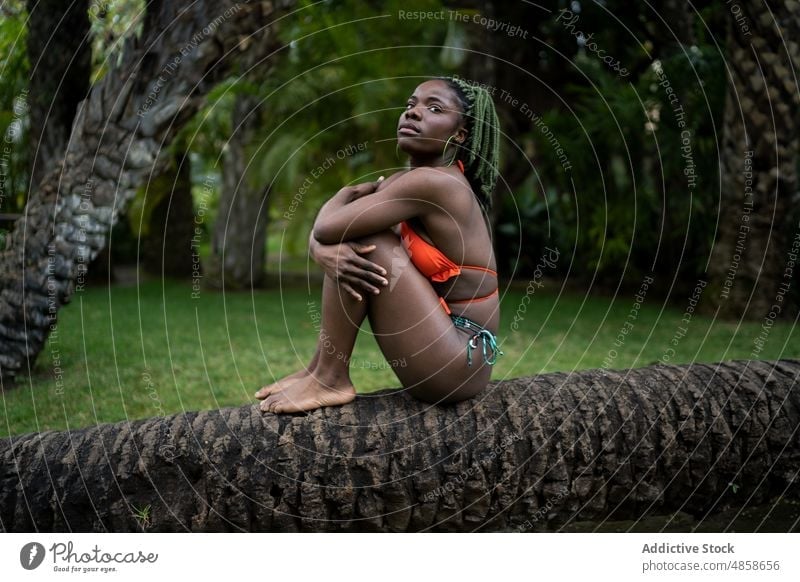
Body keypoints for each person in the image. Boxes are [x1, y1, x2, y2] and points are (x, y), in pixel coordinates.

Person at [256, 76, 504, 414]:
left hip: (457, 361)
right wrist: (321, 248)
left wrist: (341, 196)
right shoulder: (414, 180)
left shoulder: (434, 183)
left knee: (366, 239)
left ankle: (331, 377)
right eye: (410, 105)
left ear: (459, 134)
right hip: (452, 351)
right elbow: (332, 232)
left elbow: (331, 227)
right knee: (358, 237)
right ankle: (317, 370)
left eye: (433, 108)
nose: (413, 113)